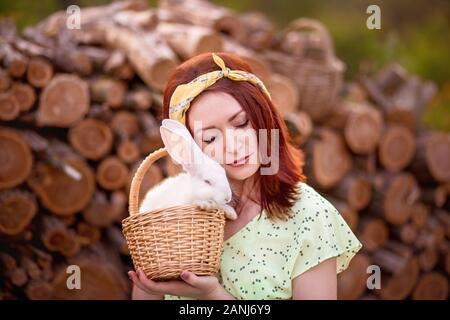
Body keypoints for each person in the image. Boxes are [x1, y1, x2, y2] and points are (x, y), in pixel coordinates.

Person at [128, 52, 362, 300]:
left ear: (263, 119)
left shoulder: (308, 215)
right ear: (189, 147)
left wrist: (213, 295)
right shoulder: (170, 212)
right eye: (210, 138)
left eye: (241, 123)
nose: (233, 145)